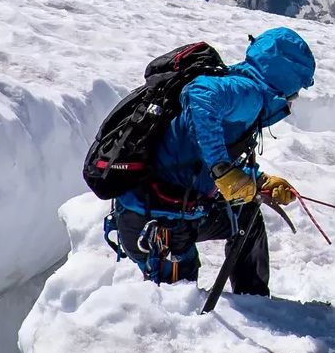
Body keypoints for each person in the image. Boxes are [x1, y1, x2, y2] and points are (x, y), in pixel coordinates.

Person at [108, 27, 315, 295]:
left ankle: (254, 301)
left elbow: (199, 151)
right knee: (176, 305)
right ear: (286, 78)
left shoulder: (244, 88)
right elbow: (200, 94)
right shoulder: (248, 92)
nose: (295, 96)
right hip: (156, 221)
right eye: (296, 88)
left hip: (172, 213)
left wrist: (259, 180)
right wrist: (222, 169)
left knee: (245, 215)